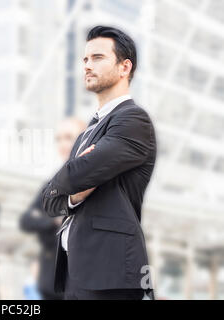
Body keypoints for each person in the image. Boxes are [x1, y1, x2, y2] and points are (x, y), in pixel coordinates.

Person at [41, 26, 157, 300]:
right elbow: (49, 201)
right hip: (76, 274)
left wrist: (73, 176)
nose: (87, 66)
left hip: (111, 271)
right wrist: (72, 194)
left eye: (97, 58)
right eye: (85, 60)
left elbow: (78, 172)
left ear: (124, 67)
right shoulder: (86, 134)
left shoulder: (133, 120)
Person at [20, 118, 85, 300]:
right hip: (51, 283)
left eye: (68, 137)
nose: (62, 144)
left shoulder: (97, 179)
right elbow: (26, 220)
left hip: (82, 280)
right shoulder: (51, 184)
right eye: (58, 139)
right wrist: (53, 221)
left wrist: (46, 217)